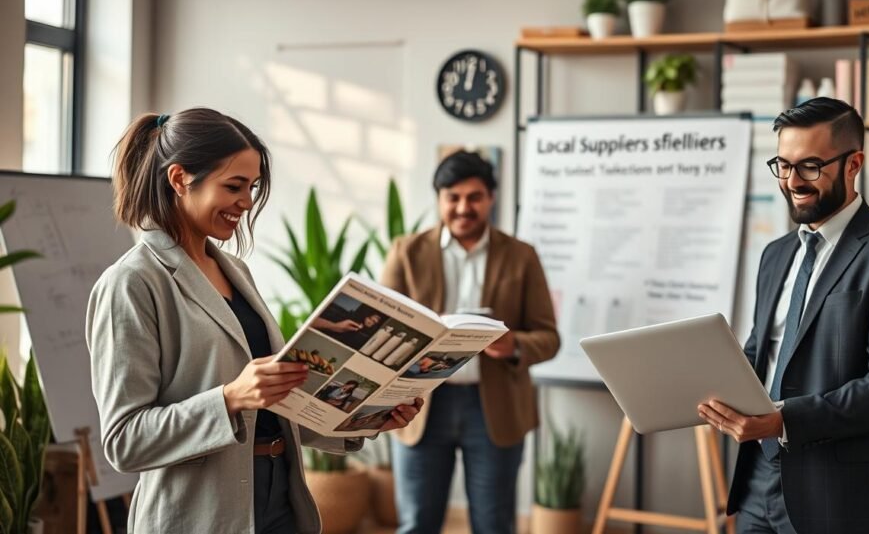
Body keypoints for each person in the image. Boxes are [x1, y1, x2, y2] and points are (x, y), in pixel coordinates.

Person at [86, 108, 422, 534]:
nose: (246, 201)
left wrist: (370, 415)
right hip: (198, 515)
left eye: (253, 186)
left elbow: (274, 407)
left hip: (280, 499)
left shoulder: (235, 272)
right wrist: (228, 399)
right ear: (179, 179)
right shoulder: (131, 284)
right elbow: (124, 441)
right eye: (234, 186)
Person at [697, 98, 869, 533]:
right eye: (783, 165)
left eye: (810, 166)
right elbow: (762, 353)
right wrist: (694, 382)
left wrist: (785, 419)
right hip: (757, 484)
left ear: (854, 164)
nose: (793, 182)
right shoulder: (775, 255)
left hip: (843, 497)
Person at [382, 151, 560, 534]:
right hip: (420, 406)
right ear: (440, 199)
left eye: (474, 197)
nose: (464, 207)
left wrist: (513, 345)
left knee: (494, 525)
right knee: (416, 524)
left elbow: (549, 337)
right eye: (453, 197)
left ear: (491, 198)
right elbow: (380, 330)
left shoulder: (522, 256)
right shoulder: (406, 252)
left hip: (494, 407)